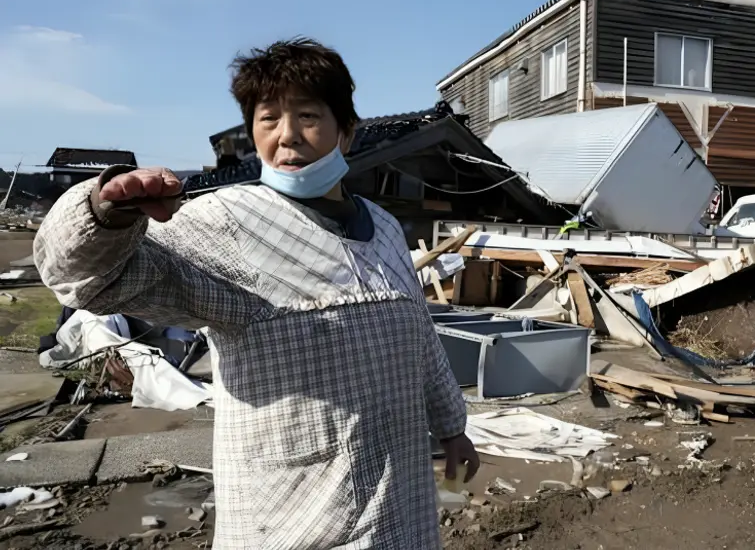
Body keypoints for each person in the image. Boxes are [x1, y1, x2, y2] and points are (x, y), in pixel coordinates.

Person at [34, 37, 479, 549]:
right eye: (268, 119)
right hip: (291, 515)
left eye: (308, 116)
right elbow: (90, 281)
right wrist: (105, 214)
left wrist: (453, 429)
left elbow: (421, 339)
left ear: (347, 132)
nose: (287, 135)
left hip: (401, 505)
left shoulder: (383, 227)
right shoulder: (228, 224)